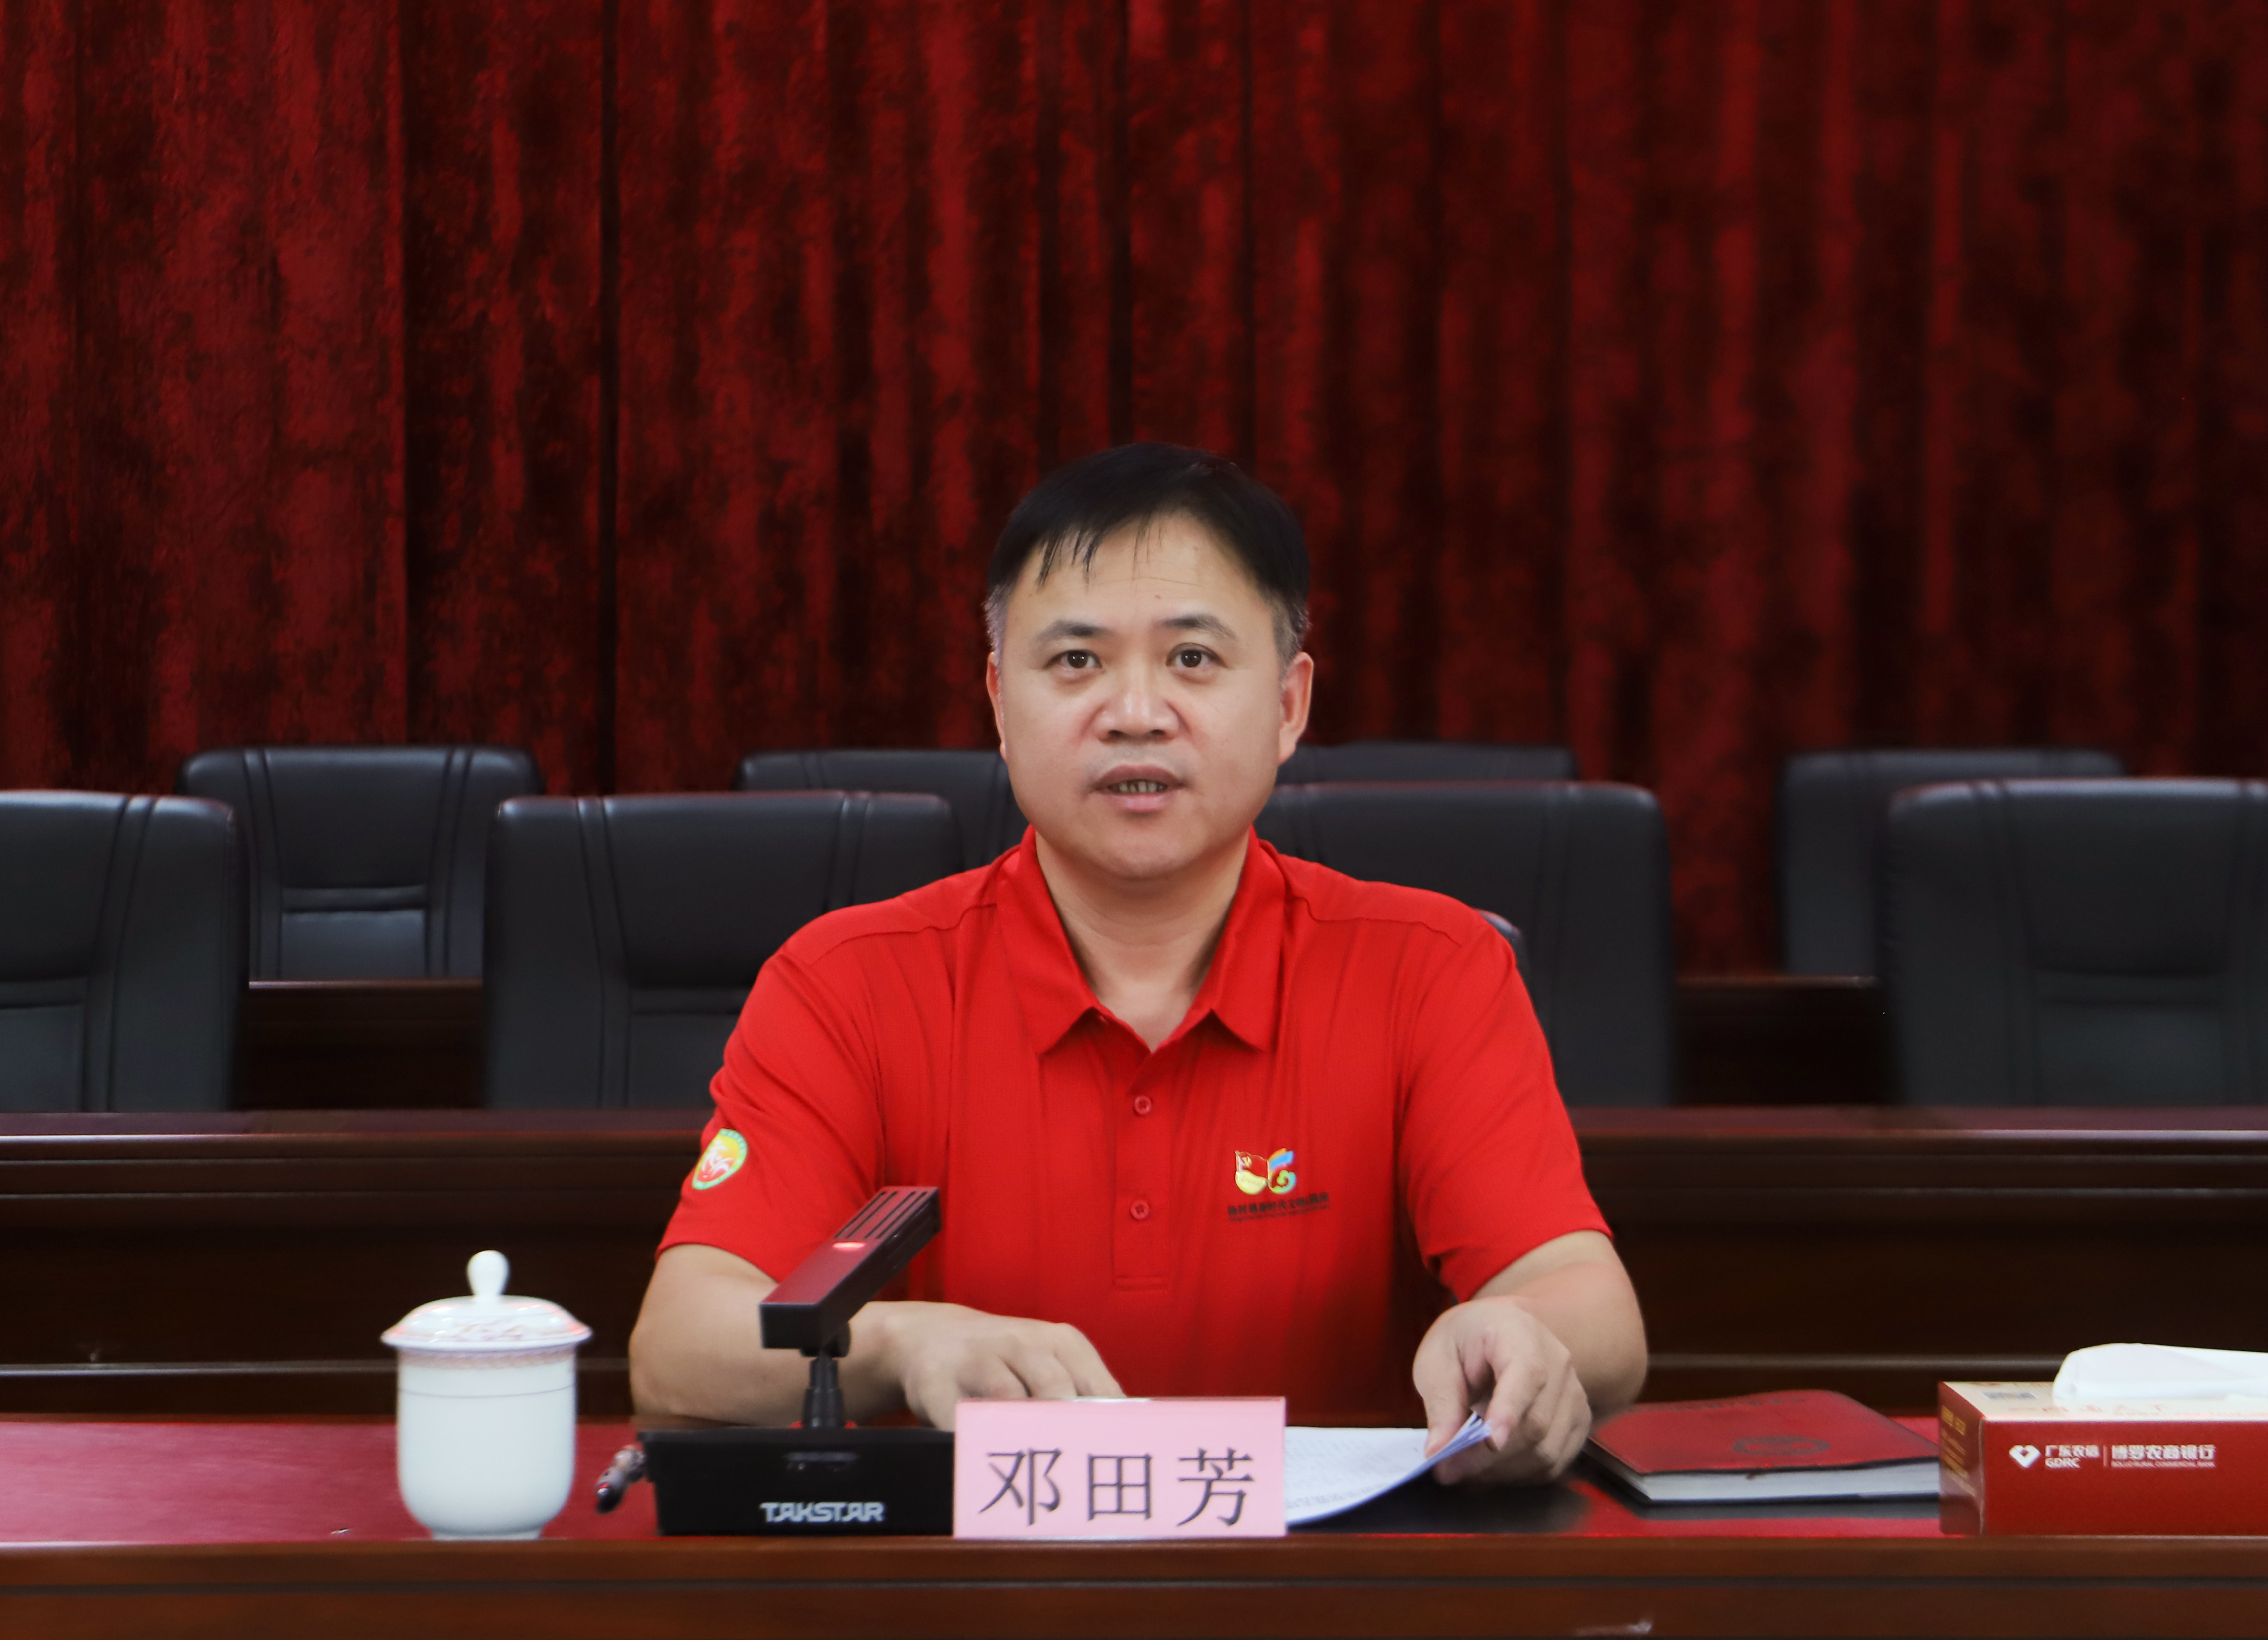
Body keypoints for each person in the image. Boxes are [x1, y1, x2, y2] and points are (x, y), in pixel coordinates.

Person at [630, 443, 1646, 1484]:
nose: (1135, 712)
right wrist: (898, 1343)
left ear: (1289, 704)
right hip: (965, 1568)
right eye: (1077, 662)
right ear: (999, 701)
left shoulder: (1431, 968)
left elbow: (1592, 1305)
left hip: (1332, 1569)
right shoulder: (847, 983)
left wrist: (1520, 1332)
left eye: (1193, 658)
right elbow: (679, 1344)